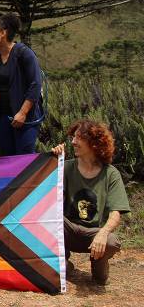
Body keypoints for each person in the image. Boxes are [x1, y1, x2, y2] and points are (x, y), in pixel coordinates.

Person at [51, 120, 130, 285]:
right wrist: (53, 160)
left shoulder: (111, 174)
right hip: (68, 229)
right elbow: (44, 195)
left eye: (78, 137)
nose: (72, 142)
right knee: (54, 220)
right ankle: (63, 263)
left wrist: (103, 233)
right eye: (73, 137)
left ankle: (98, 263)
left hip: (93, 234)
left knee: (111, 242)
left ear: (94, 143)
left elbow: (116, 213)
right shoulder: (65, 167)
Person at [0, 13, 44, 155]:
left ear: (3, 33)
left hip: (26, 119)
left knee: (24, 159)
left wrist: (23, 113)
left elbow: (35, 85)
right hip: (4, 119)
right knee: (7, 158)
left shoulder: (25, 54)